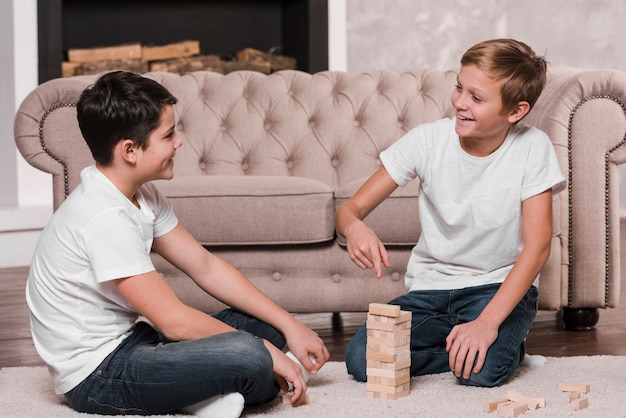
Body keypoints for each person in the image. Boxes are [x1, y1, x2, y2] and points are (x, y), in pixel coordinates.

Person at [26, 70, 329, 417]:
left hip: (134, 342)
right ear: (130, 151)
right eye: (168, 135)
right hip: (97, 376)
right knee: (251, 357)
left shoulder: (141, 195)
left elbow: (207, 267)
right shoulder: (102, 216)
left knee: (266, 328)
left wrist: (290, 326)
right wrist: (265, 351)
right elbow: (173, 321)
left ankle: (204, 394)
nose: (179, 142)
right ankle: (208, 394)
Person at [336, 39, 565, 387]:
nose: (459, 102)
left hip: (496, 289)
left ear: (515, 111)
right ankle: (481, 346)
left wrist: (488, 324)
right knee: (362, 360)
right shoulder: (427, 140)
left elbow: (537, 248)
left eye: (476, 98)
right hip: (429, 291)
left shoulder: (533, 148)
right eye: (459, 87)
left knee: (482, 372)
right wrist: (354, 227)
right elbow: (349, 209)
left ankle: (496, 345)